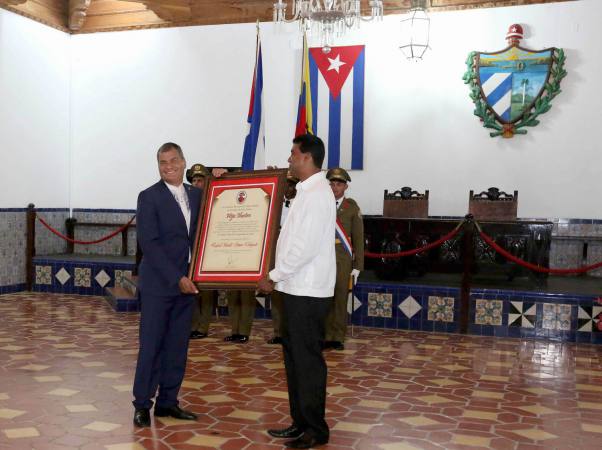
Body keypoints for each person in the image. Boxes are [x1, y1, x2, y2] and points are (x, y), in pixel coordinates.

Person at [258, 134, 336, 449]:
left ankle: (315, 429)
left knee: (307, 362)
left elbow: (304, 247)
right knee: (294, 360)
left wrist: (273, 275)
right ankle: (299, 422)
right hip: (295, 288)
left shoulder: (318, 194)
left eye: (292, 153)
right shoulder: (306, 192)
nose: (289, 158)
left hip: (307, 291)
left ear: (306, 157)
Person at [132, 142, 201, 428]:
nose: (168, 166)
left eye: (174, 160)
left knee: (177, 346)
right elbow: (149, 243)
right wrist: (177, 278)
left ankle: (168, 403)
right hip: (160, 285)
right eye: (162, 162)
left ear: (184, 161)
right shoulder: (149, 197)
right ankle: (141, 405)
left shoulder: (197, 195)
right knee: (151, 346)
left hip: (188, 284)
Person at [324, 168, 364, 351]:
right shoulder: (322, 203)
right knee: (324, 297)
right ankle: (325, 335)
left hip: (342, 258)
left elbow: (358, 237)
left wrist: (358, 266)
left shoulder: (351, 207)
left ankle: (337, 336)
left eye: (338, 184)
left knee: (340, 297)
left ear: (346, 186)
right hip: (323, 257)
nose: (334, 187)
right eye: (332, 184)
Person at [267, 171, 299, 345]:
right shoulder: (275, 204)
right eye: (285, 185)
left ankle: (291, 332)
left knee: (291, 294)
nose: (288, 188)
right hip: (275, 252)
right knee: (277, 295)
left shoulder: (300, 205)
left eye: (291, 185)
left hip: (292, 254)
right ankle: (278, 332)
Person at [186, 163, 215, 340]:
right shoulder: (188, 202)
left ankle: (203, 327)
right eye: (194, 180)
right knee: (193, 290)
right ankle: (193, 325)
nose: (197, 184)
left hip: (210, 251)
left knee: (206, 292)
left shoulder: (214, 199)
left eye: (200, 180)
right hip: (192, 251)